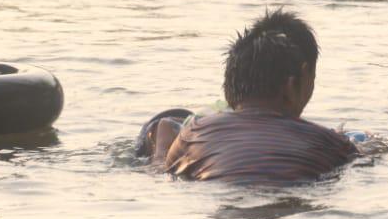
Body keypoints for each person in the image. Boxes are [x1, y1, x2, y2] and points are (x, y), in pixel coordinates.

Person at [148, 10, 359, 183]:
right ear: (294, 83)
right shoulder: (330, 143)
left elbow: (162, 172)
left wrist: (160, 152)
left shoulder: (194, 133)